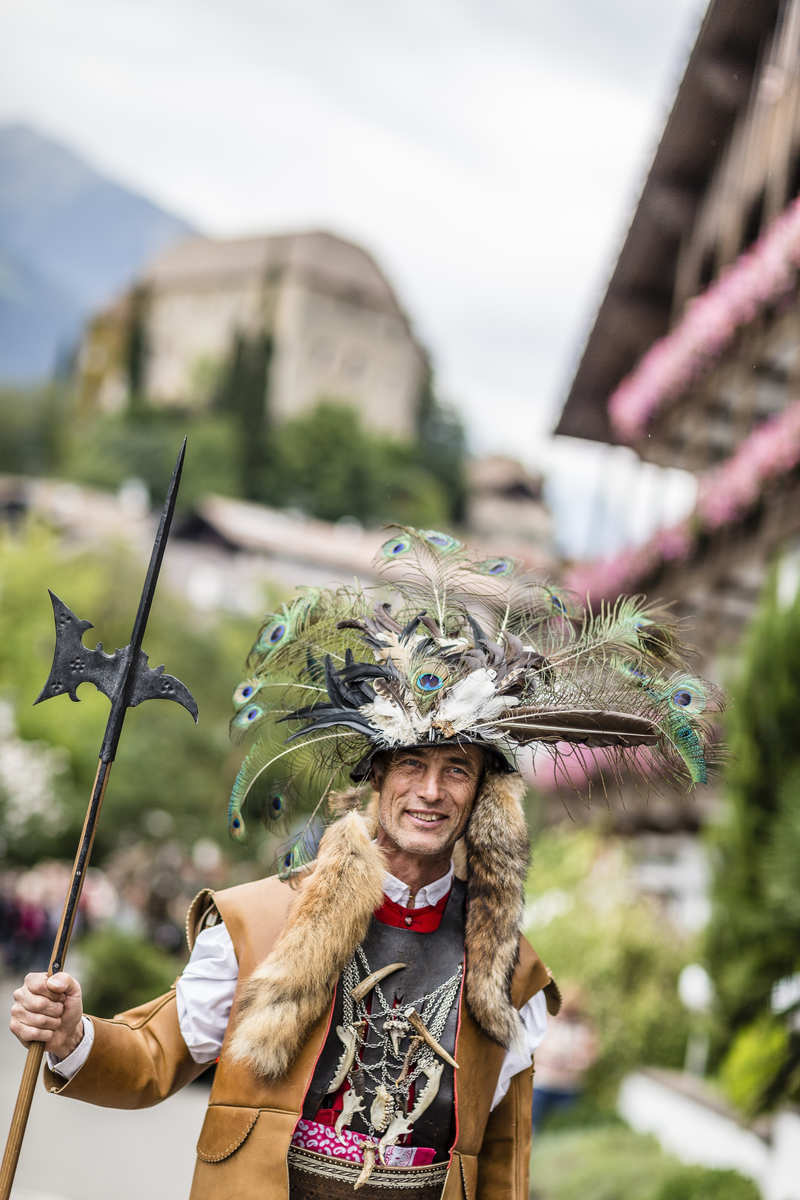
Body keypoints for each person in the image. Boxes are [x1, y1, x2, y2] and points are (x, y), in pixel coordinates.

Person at [9, 527, 713, 1199]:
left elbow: (501, 1166)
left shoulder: (509, 978)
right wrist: (73, 1035)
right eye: (412, 763)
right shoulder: (257, 925)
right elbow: (152, 1060)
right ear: (377, 777)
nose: (431, 792)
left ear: (483, 795)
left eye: (457, 770)